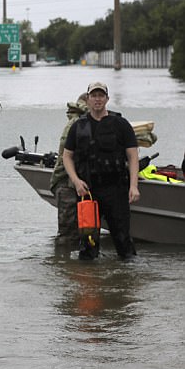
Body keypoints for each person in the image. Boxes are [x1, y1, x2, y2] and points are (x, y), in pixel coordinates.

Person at [63, 82, 140, 260]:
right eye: (94, 96)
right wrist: (75, 181)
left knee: (123, 241)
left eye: (101, 95)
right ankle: (89, 283)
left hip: (116, 189)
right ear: (88, 99)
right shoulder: (78, 126)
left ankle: (126, 281)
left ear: (107, 99)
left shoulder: (121, 124)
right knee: (88, 243)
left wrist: (134, 186)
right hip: (88, 192)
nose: (97, 99)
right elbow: (67, 157)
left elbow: (133, 156)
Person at [49, 92, 88, 244]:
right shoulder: (76, 124)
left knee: (82, 231)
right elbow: (68, 157)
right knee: (68, 234)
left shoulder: (79, 121)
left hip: (75, 183)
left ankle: (69, 264)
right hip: (66, 184)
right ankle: (63, 263)